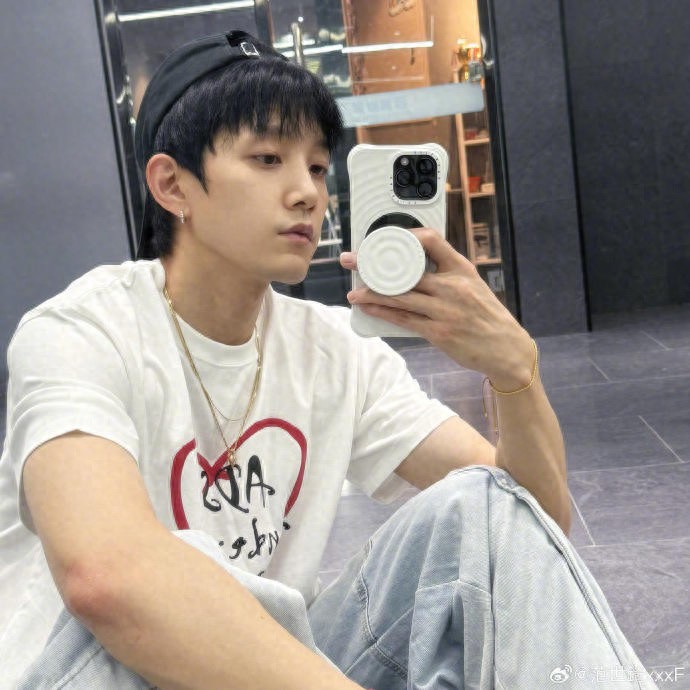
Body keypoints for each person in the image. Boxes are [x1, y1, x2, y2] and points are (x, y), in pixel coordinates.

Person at [0, 29, 655, 690]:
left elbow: (531, 532)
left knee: (486, 503)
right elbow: (106, 578)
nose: (308, 193)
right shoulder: (80, 332)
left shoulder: (335, 348)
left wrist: (515, 372)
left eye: (316, 167)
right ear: (173, 186)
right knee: (161, 576)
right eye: (267, 159)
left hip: (275, 670)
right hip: (99, 674)